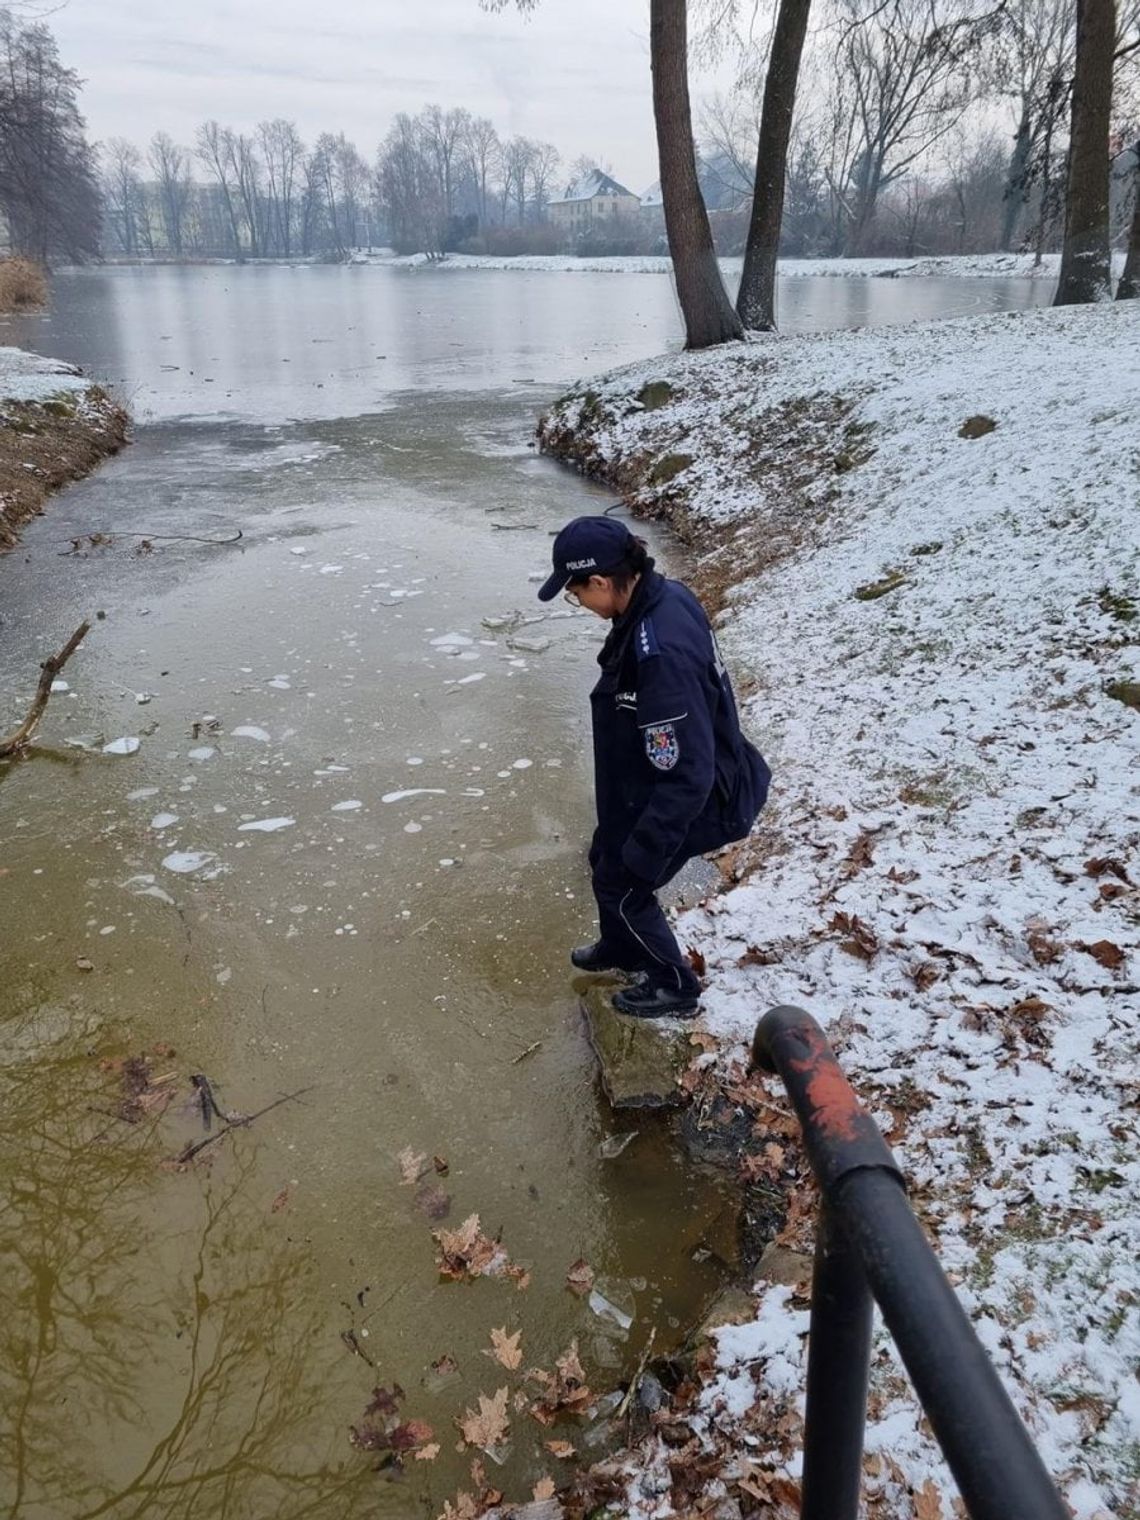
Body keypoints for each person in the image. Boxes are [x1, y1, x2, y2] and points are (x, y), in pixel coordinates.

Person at [538, 515, 770, 1018]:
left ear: (601, 581)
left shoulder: (659, 650)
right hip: (650, 783)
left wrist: (646, 849)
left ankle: (675, 986)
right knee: (605, 858)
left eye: (576, 595)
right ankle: (622, 946)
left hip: (701, 797)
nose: (579, 605)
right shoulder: (661, 597)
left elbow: (687, 774)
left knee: (626, 882)